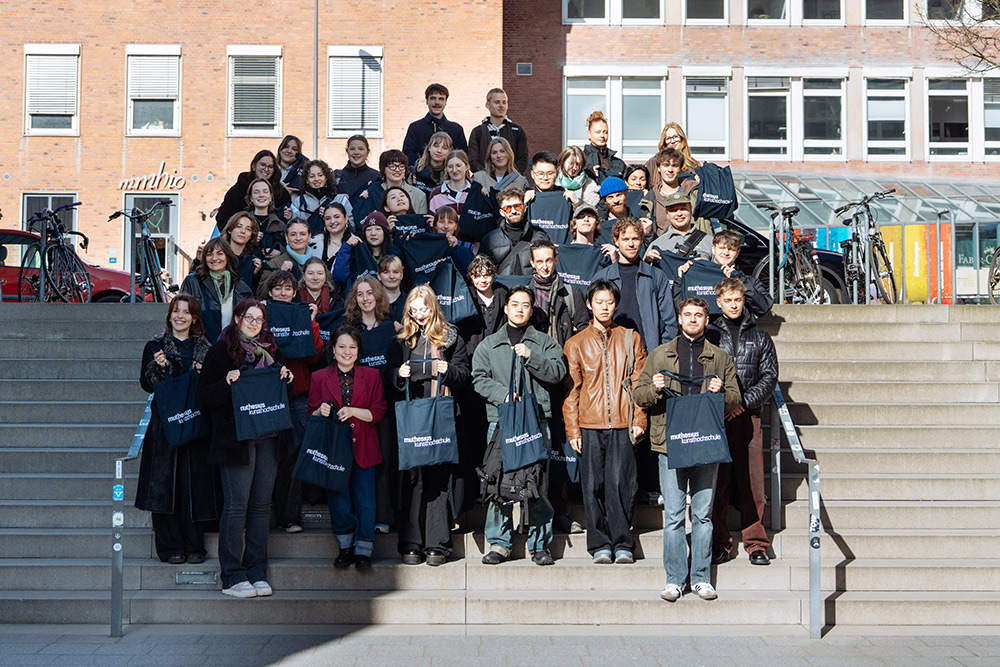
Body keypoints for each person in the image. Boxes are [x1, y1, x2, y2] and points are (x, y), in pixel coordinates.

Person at [633, 297, 740, 603]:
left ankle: (701, 578)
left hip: (706, 442)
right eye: (687, 315)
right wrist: (653, 388)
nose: (692, 319)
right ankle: (674, 579)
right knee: (674, 516)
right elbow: (639, 396)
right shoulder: (659, 355)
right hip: (671, 443)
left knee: (703, 516)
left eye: (698, 315)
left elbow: (736, 398)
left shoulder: (720, 358)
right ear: (679, 320)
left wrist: (722, 394)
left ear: (707, 320)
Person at [196, 298, 295, 598]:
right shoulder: (220, 351)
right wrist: (226, 382)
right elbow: (204, 396)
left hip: (268, 437)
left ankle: (256, 570)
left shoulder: (271, 354)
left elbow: (279, 395)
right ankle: (232, 575)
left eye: (259, 319)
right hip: (235, 440)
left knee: (261, 506)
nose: (253, 323)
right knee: (237, 505)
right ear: (237, 319)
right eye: (248, 318)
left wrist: (286, 380)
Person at [472, 285, 566, 566]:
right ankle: (499, 543)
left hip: (536, 419)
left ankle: (539, 545)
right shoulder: (489, 344)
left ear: (531, 309)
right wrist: (501, 394)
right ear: (505, 308)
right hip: (501, 421)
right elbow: (478, 377)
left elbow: (558, 372)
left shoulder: (545, 343)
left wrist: (532, 357)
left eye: (525, 305)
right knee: (496, 482)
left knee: (537, 484)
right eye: (515, 304)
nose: (520, 309)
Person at [563, 279, 647, 564]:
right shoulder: (576, 343)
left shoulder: (630, 337)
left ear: (616, 304)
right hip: (589, 422)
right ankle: (599, 543)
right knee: (593, 485)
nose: (604, 307)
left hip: (624, 421)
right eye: (599, 301)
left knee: (623, 483)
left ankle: (623, 541)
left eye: (609, 302)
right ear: (589, 304)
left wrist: (640, 417)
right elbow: (571, 391)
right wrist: (573, 428)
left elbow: (639, 381)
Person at [387, 285, 471, 565]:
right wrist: (398, 374)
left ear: (433, 307)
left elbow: (464, 374)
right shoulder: (401, 339)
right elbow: (388, 376)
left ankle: (438, 544)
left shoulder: (450, 336)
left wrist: (449, 371)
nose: (419, 314)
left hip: (440, 414)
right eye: (415, 308)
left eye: (424, 308)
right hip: (412, 415)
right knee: (412, 479)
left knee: (437, 478)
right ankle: (410, 541)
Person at [136, 295, 217, 565]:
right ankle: (169, 545)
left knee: (192, 485)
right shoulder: (155, 345)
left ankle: (195, 544)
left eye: (186, 312)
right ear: (169, 315)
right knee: (163, 485)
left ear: (194, 317)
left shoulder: (206, 348)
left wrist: (203, 372)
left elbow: (212, 386)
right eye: (176, 311)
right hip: (164, 427)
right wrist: (157, 368)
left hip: (195, 423)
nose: (180, 316)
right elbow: (146, 384)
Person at [707, 278, 778, 567]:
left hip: (749, 417)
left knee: (752, 484)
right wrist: (725, 404)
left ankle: (756, 543)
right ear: (719, 302)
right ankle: (720, 543)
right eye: (728, 300)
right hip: (717, 417)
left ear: (743, 300)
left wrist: (744, 403)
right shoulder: (710, 334)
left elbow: (769, 375)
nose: (734, 305)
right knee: (718, 483)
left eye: (738, 299)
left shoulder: (760, 337)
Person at [309, 325, 387, 570]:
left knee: (366, 500)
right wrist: (319, 411)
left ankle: (363, 549)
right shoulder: (319, 377)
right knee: (339, 501)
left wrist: (353, 411)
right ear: (333, 349)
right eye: (341, 346)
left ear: (358, 350)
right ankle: (344, 547)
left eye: (352, 347)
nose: (347, 352)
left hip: (365, 446)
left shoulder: (372, 376)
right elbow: (311, 412)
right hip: (334, 450)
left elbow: (378, 412)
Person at [264, 271, 324, 534]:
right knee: (268, 455)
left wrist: (310, 323)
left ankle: (290, 516)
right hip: (268, 395)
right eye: (277, 289)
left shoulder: (304, 317)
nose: (282, 293)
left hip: (299, 393)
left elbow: (315, 357)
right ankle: (264, 515)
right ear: (269, 293)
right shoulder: (261, 317)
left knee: (296, 452)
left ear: (295, 292)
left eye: (287, 289)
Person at [346, 276, 399, 533]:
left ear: (378, 296)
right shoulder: (350, 329)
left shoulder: (392, 329)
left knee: (385, 461)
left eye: (369, 293)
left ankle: (384, 516)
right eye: (360, 294)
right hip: (356, 406)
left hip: (384, 405)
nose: (365, 298)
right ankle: (359, 515)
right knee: (359, 463)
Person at [592, 218, 675, 355]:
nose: (631, 244)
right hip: (613, 353)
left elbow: (669, 320)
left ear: (642, 240)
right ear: (616, 241)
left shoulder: (656, 276)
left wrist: (661, 354)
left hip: (648, 352)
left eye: (635, 239)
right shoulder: (603, 277)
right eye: (625, 239)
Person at [180, 238, 252, 343]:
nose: (214, 258)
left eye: (220, 253)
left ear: (228, 257)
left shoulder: (240, 287)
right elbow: (181, 314)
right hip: (200, 346)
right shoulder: (193, 282)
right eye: (209, 254)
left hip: (231, 347)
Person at [528, 239, 588, 346]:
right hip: (533, 358)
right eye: (540, 262)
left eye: (549, 261)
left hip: (563, 359)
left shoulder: (572, 293)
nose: (545, 267)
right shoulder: (525, 294)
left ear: (556, 260)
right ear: (532, 263)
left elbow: (583, 331)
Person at [216, 150, 292, 234]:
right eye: (262, 165)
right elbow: (223, 217)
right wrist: (233, 237)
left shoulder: (280, 192)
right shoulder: (239, 189)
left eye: (270, 166)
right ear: (254, 166)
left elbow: (286, 218)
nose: (266, 169)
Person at [479, 188, 548, 276]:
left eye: (517, 206)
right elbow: (483, 271)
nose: (513, 211)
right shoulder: (490, 239)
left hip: (530, 287)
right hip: (502, 287)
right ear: (502, 212)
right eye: (508, 208)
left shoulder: (539, 236)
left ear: (525, 208)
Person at [649, 148, 712, 237]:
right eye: (666, 165)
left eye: (675, 165)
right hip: (663, 248)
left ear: (680, 169)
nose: (670, 170)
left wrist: (706, 180)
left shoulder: (694, 191)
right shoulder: (651, 197)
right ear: (659, 168)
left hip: (695, 246)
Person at [709, 230, 773, 317]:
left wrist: (740, 281)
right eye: (722, 248)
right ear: (713, 248)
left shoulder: (749, 281)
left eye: (731, 249)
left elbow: (764, 307)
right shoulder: (699, 275)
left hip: (740, 328)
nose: (726, 253)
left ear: (738, 252)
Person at [402, 83, 468, 166]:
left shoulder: (456, 129)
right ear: (427, 101)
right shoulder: (415, 127)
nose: (437, 102)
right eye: (433, 98)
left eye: (441, 99)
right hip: (421, 176)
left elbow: (462, 156)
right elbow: (408, 155)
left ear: (445, 102)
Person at [467, 88, 529, 174]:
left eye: (504, 102)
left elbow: (523, 158)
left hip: (511, 181)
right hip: (484, 182)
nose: (501, 105)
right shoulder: (478, 132)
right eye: (497, 102)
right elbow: (473, 161)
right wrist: (487, 176)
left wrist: (511, 176)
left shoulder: (517, 131)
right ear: (487, 105)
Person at [645, 192, 714, 263]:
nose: (679, 214)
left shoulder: (710, 242)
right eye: (673, 210)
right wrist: (647, 261)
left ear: (691, 210)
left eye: (683, 209)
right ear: (667, 214)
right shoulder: (657, 245)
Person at [356, 150, 428, 217]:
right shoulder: (373, 191)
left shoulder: (419, 195)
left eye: (401, 166)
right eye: (392, 166)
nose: (397, 170)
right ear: (383, 169)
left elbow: (421, 222)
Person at [291, 160, 353, 233]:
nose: (316, 179)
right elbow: (293, 230)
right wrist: (289, 217)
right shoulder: (299, 202)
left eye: (320, 175)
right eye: (312, 176)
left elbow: (352, 225)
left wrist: (330, 216)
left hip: (336, 243)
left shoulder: (340, 199)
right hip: (309, 243)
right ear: (306, 180)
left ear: (326, 177)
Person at [257, 219, 314, 295]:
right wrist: (279, 273)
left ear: (309, 236)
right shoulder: (274, 263)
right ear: (286, 237)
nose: (298, 238)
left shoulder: (317, 263)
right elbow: (261, 293)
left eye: (302, 234)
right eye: (293, 234)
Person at [308, 203, 354, 289]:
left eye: (337, 217)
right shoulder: (312, 243)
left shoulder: (355, 244)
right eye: (328, 218)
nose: (332, 221)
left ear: (346, 218)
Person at [245, 177, 289, 261]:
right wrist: (249, 240)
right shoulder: (240, 220)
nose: (261, 195)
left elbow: (293, 248)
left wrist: (280, 253)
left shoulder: (280, 224)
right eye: (256, 192)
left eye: (265, 191)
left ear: (271, 197)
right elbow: (227, 243)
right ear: (251, 198)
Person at [644, 122, 700, 186]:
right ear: (664, 142)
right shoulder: (653, 162)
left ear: (682, 139)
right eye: (668, 138)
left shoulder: (694, 165)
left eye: (676, 137)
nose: (672, 141)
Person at [221, 212, 262, 292]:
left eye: (248, 229)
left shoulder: (253, 262)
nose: (243, 231)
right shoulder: (218, 257)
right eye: (239, 226)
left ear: (251, 235)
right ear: (230, 230)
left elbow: (253, 293)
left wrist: (256, 274)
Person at [582, 111, 626, 184]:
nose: (602, 135)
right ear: (589, 134)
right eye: (598, 132)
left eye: (605, 132)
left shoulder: (619, 163)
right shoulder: (581, 160)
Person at [431, 206, 475, 276]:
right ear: (435, 225)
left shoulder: (466, 247)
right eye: (441, 222)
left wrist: (455, 249)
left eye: (450, 222)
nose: (446, 226)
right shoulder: (427, 246)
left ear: (456, 226)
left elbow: (468, 273)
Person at [335, 135, 381, 200]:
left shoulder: (376, 176)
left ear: (367, 152)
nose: (356, 152)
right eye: (352, 149)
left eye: (361, 149)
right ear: (347, 151)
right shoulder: (337, 175)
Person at [428, 150, 473, 215]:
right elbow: (432, 221)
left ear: (467, 167)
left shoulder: (474, 192)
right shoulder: (436, 194)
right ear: (446, 169)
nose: (454, 170)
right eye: (450, 167)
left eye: (458, 165)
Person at [412, 131, 453, 196]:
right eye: (436, 146)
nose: (439, 151)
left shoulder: (452, 174)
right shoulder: (415, 172)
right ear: (429, 147)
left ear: (449, 151)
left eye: (444, 148)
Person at [378, 255, 407, 324]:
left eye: (395, 272)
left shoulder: (410, 302)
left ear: (401, 275)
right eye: (386, 272)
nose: (391, 276)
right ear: (379, 276)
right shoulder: (373, 303)